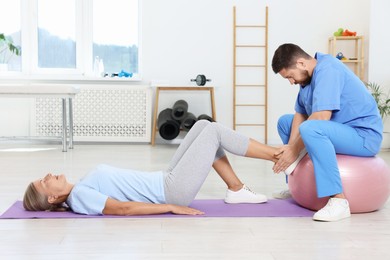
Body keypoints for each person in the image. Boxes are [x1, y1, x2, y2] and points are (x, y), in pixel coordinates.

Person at [23, 120, 280, 216]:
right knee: (212, 132)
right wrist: (169, 207)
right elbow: (122, 209)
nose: (48, 175)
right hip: (170, 191)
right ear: (54, 197)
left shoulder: (79, 187)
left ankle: (236, 189)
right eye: (45, 182)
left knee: (203, 126)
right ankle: (279, 156)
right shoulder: (80, 197)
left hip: (166, 178)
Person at [271, 43, 383, 222]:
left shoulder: (328, 69)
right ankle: (296, 186)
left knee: (310, 127)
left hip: (363, 137)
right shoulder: (306, 78)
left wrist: (293, 150)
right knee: (285, 122)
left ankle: (338, 200)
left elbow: (321, 116)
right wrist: (292, 147)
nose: (291, 82)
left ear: (301, 63)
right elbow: (300, 114)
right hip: (337, 130)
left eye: (290, 77)